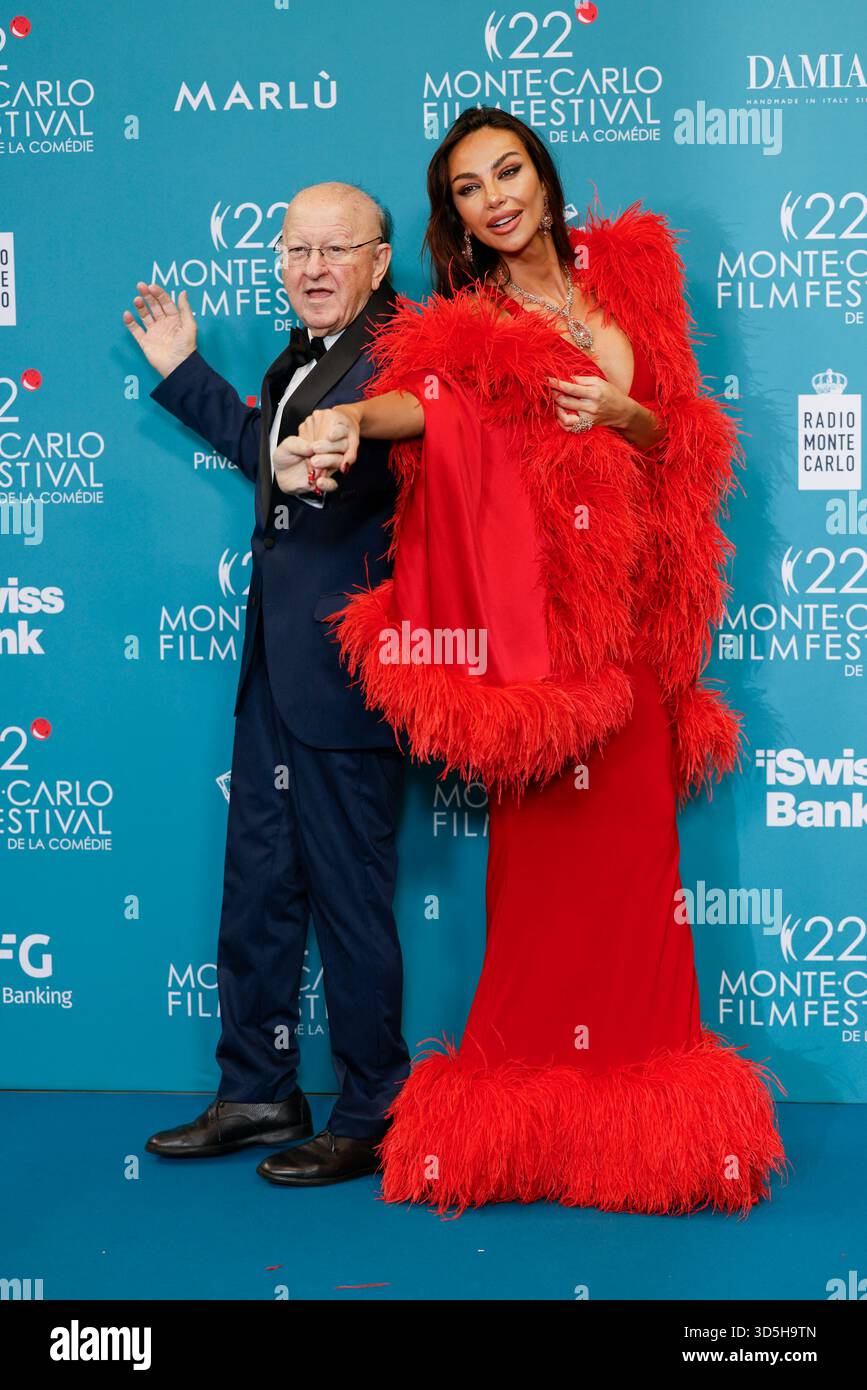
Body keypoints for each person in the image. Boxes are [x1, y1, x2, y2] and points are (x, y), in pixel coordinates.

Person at [286, 110, 789, 1215]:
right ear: (456, 216)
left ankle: (647, 1139)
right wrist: (346, 424)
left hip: (639, 645)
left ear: (547, 180)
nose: (495, 197)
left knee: (641, 897)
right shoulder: (477, 324)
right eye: (469, 188)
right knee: (537, 898)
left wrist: (624, 411)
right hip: (548, 667)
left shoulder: (636, 283)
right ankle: (530, 1135)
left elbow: (685, 440)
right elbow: (427, 406)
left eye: (508, 171)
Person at [122, 182, 411, 1186]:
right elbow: (271, 461)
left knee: (351, 900)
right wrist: (186, 375)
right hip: (273, 673)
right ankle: (257, 1087)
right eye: (298, 250)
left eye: (339, 249)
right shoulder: (294, 358)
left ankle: (375, 1108)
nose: (315, 266)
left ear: (380, 261)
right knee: (256, 888)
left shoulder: (405, 361)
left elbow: (376, 459)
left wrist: (336, 453)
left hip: (352, 679)